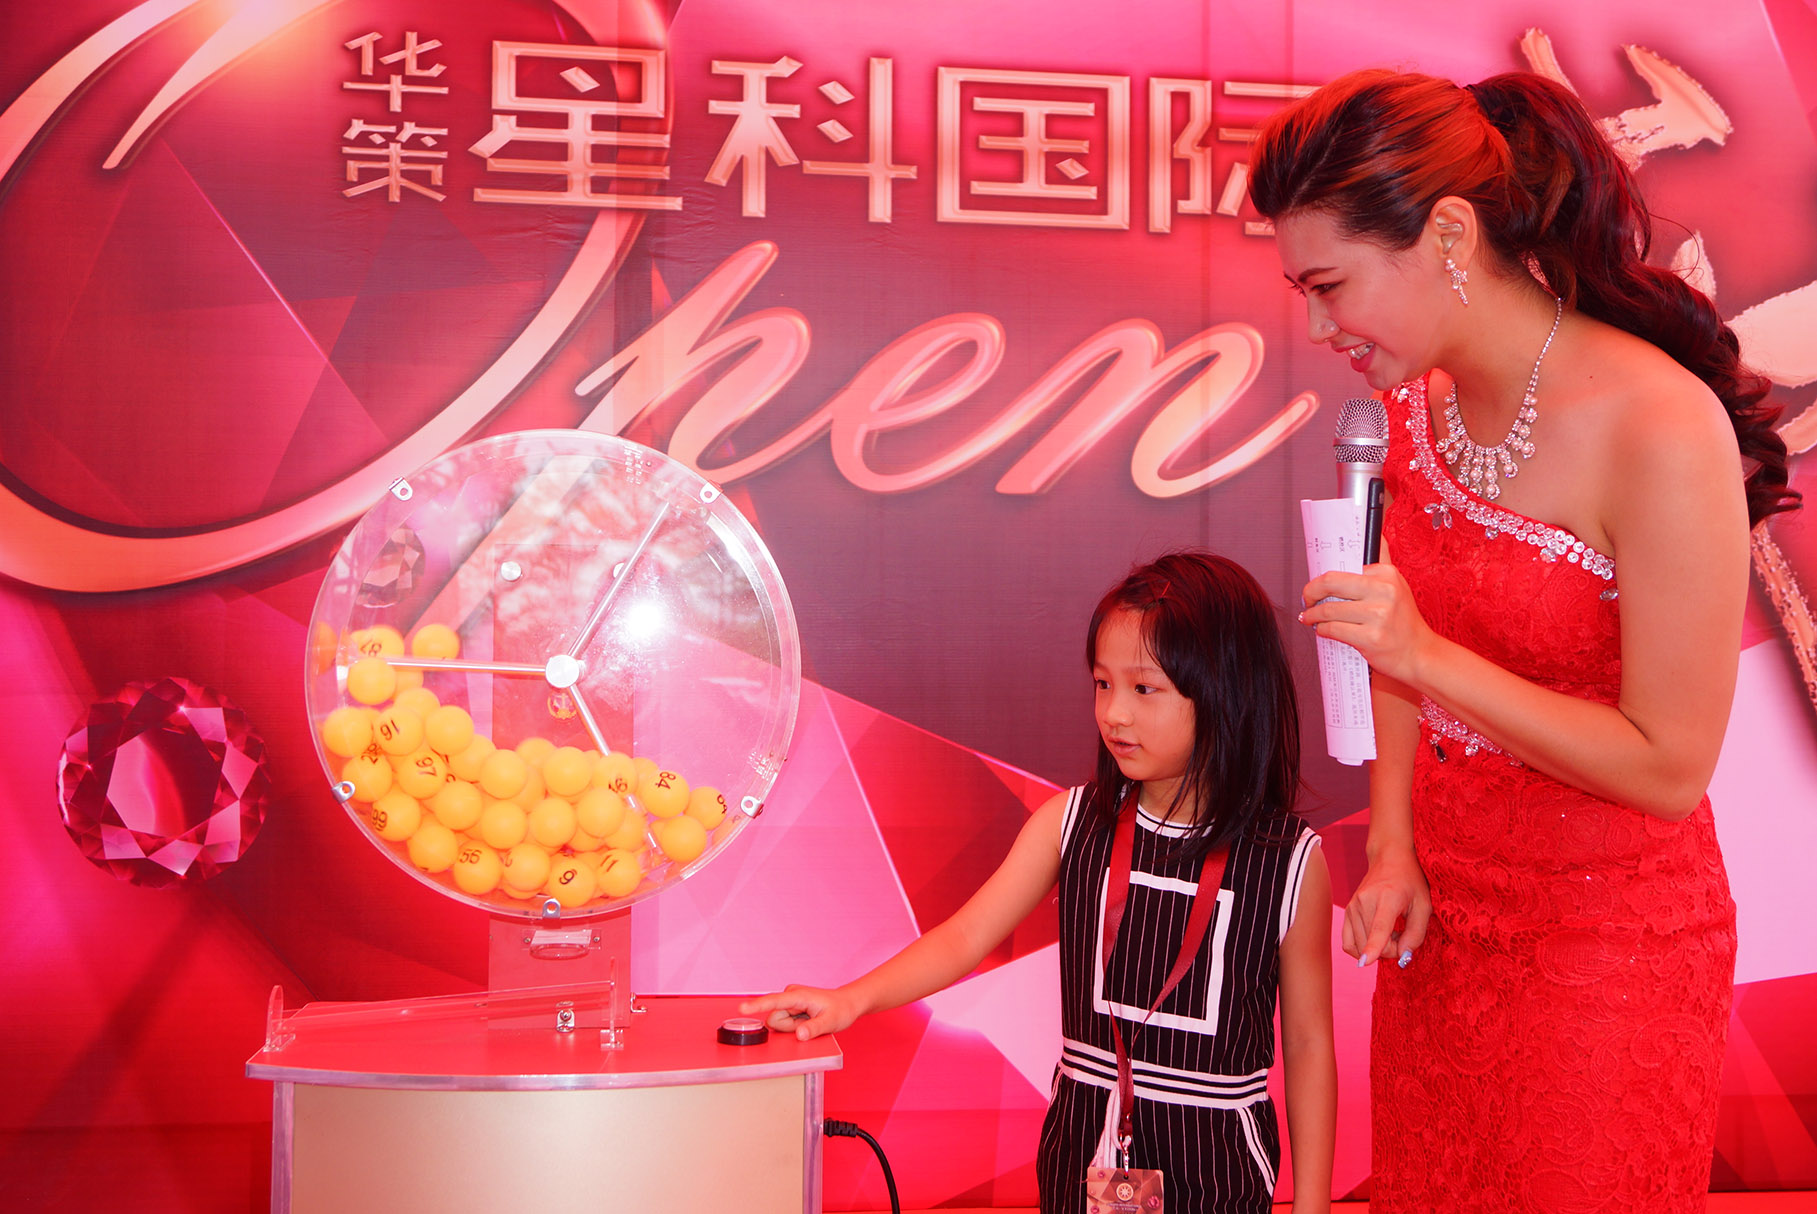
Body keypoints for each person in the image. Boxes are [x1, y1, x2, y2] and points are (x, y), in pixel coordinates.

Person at [1249, 68, 1798, 1213]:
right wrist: (1390, 846)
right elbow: (1392, 652)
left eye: (1329, 286)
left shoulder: (1657, 425)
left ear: (1447, 234)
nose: (1313, 327)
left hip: (1608, 957)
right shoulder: (1407, 417)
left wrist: (1424, 655)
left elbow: (1665, 764)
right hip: (1442, 934)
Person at [743, 552, 1335, 1214]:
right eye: (1102, 684)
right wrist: (851, 1000)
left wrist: (1312, 1205)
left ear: (1226, 691)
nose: (1114, 713)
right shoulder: (1071, 823)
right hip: (1085, 1151)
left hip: (1218, 1163)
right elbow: (965, 937)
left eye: (1144, 689)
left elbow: (1308, 1043)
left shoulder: (1288, 860)